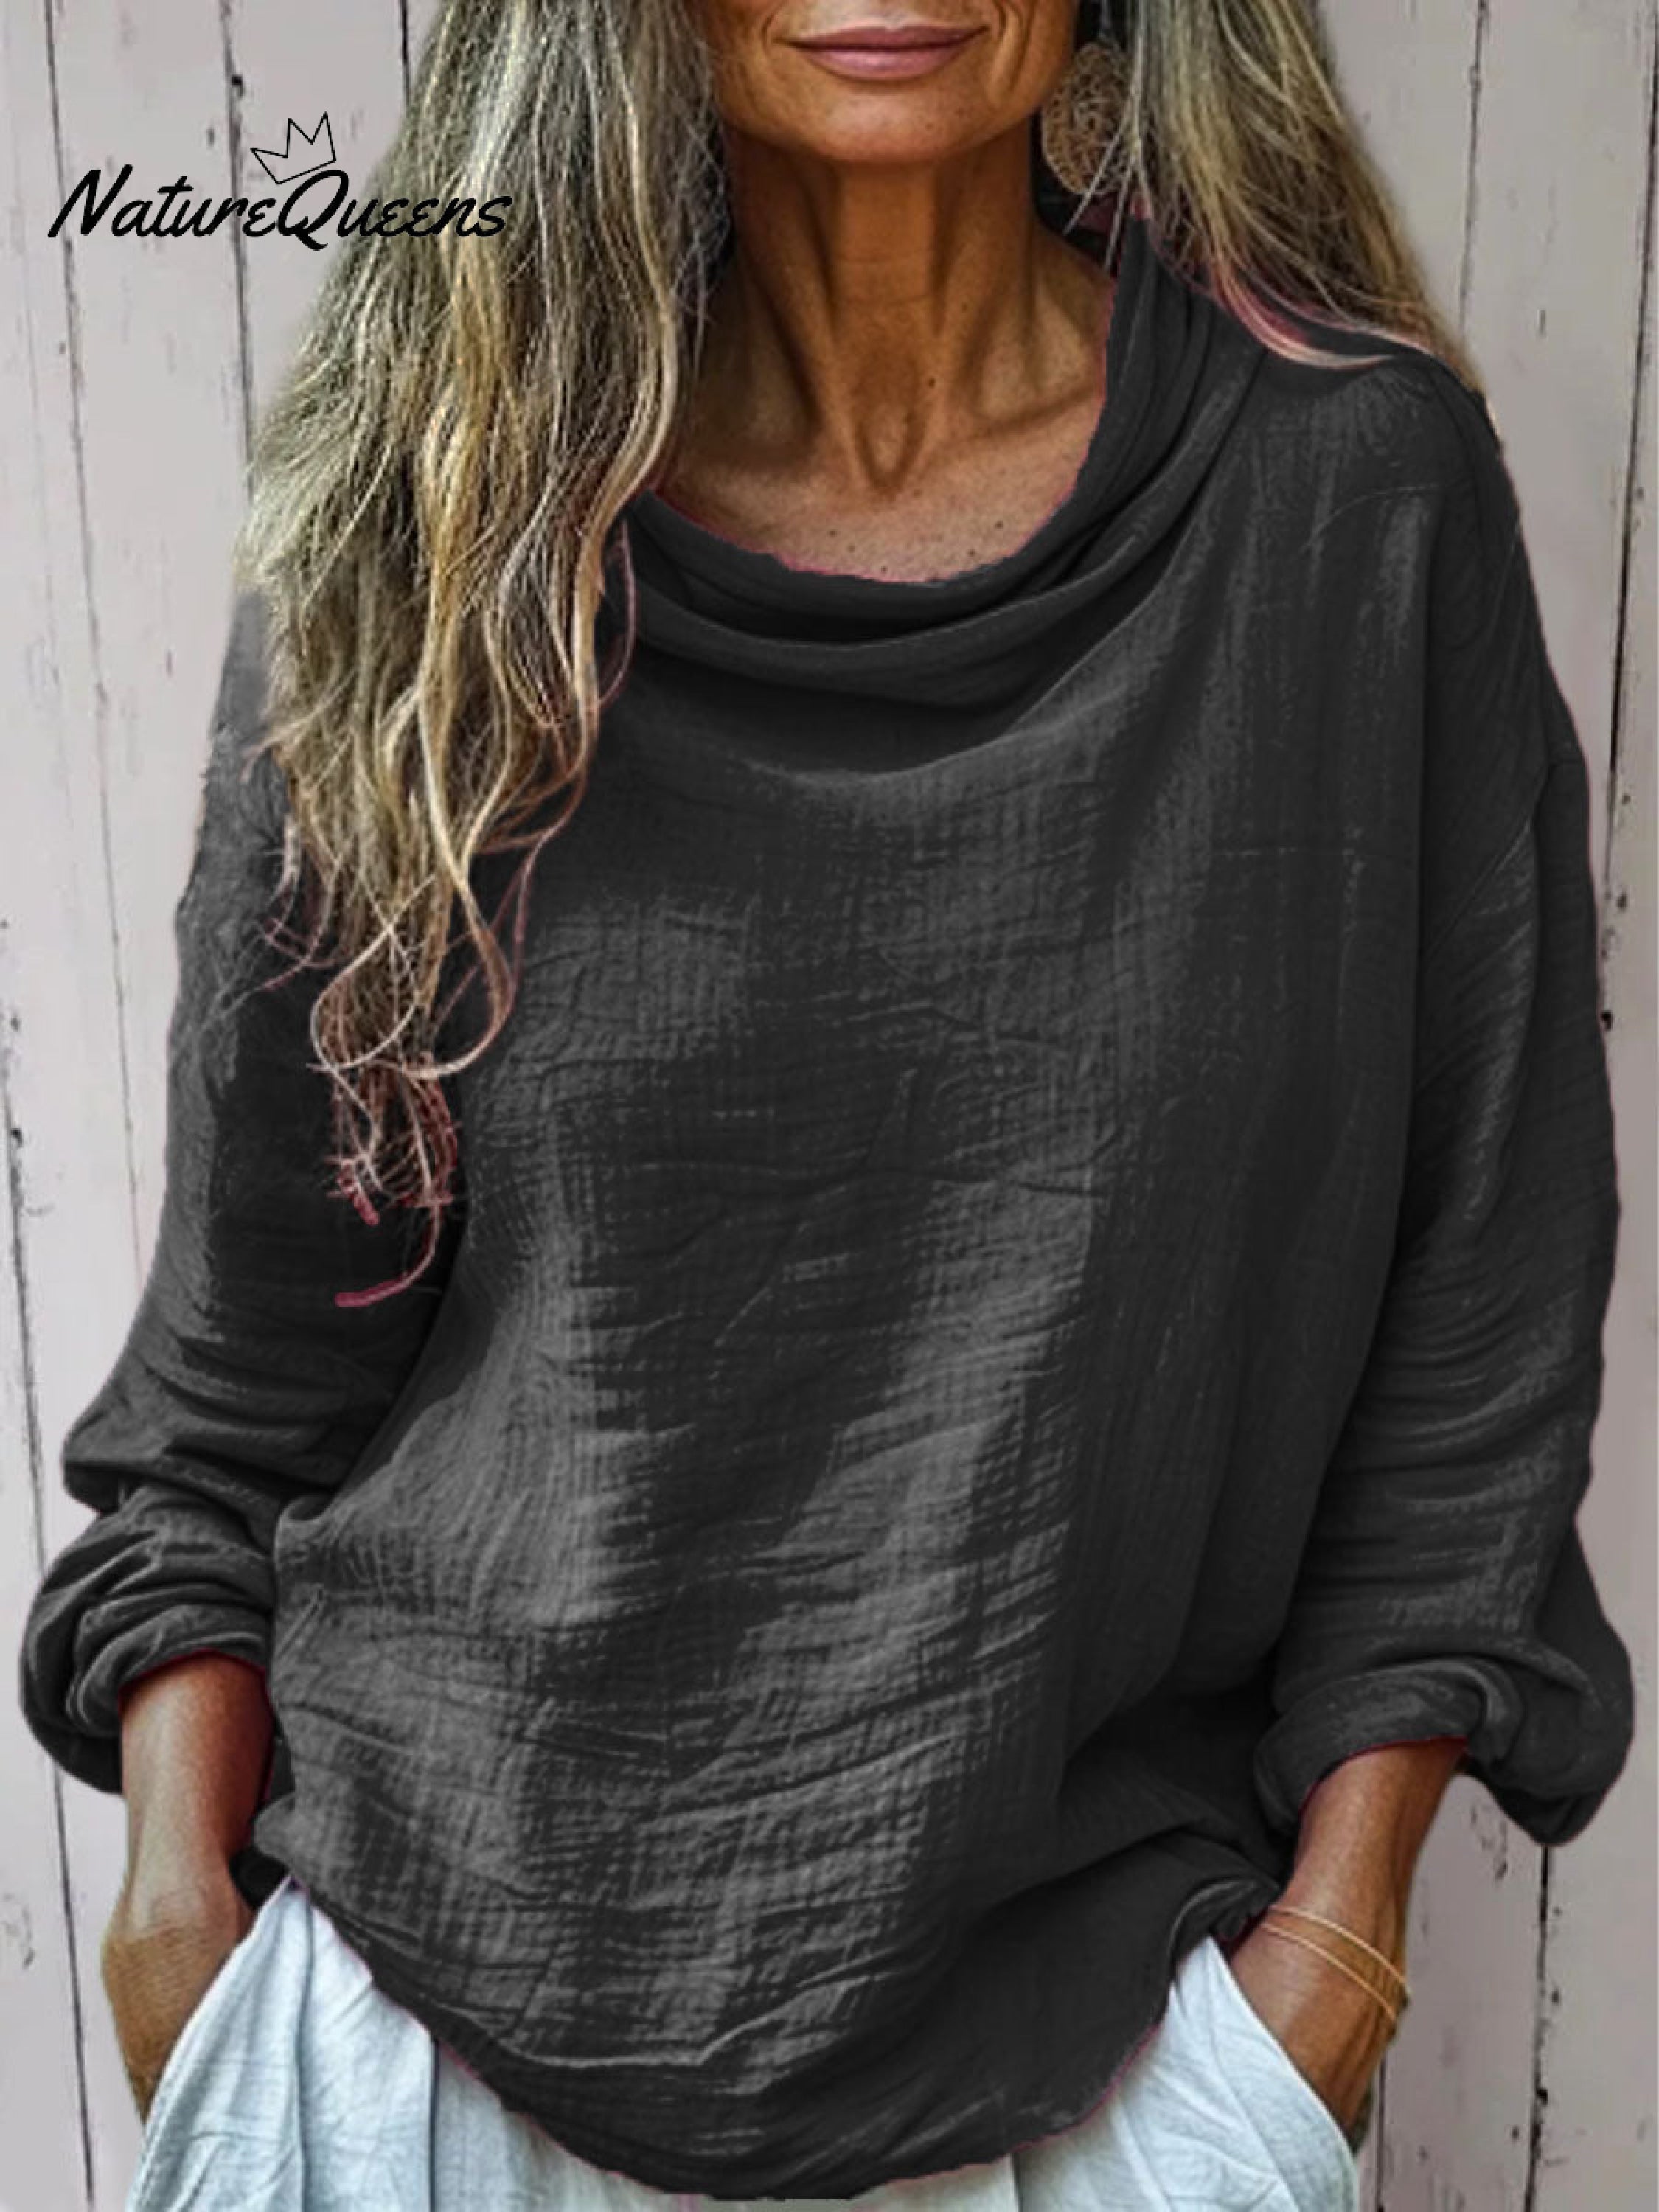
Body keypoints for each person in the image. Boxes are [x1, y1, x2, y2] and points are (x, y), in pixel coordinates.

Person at [17, 0, 1635, 2207]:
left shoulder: (1349, 500)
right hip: (412, 2055)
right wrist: (178, 1928)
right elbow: (241, 1379)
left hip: (1103, 2065)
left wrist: (1331, 1959)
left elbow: (1474, 1318)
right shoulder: (438, 518)